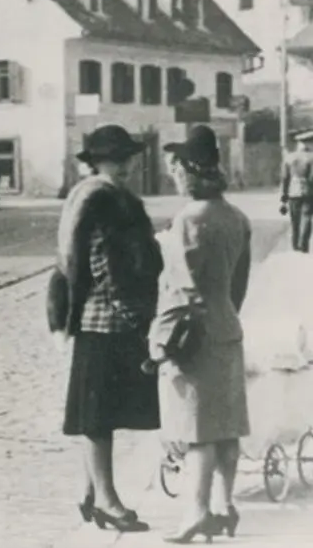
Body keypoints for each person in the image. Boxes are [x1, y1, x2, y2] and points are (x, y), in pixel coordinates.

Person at [50, 124, 162, 533]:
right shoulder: (103, 198)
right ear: (100, 161)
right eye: (120, 158)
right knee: (99, 414)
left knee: (97, 408)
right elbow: (102, 261)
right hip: (107, 319)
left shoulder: (92, 194)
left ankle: (91, 492)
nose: (128, 165)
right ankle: (108, 502)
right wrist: (133, 314)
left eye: (128, 157)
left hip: (94, 318)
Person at [150, 125, 251, 543]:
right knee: (226, 425)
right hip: (226, 325)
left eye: (177, 168)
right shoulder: (237, 218)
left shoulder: (188, 220)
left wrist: (161, 341)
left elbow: (179, 288)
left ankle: (195, 512)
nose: (174, 175)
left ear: (190, 172)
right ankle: (226, 507)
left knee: (196, 430)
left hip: (193, 333)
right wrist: (223, 313)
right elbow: (239, 283)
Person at [281, 130, 313, 253]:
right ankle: (303, 244)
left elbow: (284, 178)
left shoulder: (289, 157)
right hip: (308, 192)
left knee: (295, 220)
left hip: (293, 192)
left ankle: (295, 244)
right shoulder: (311, 157)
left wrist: (284, 197)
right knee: (306, 217)